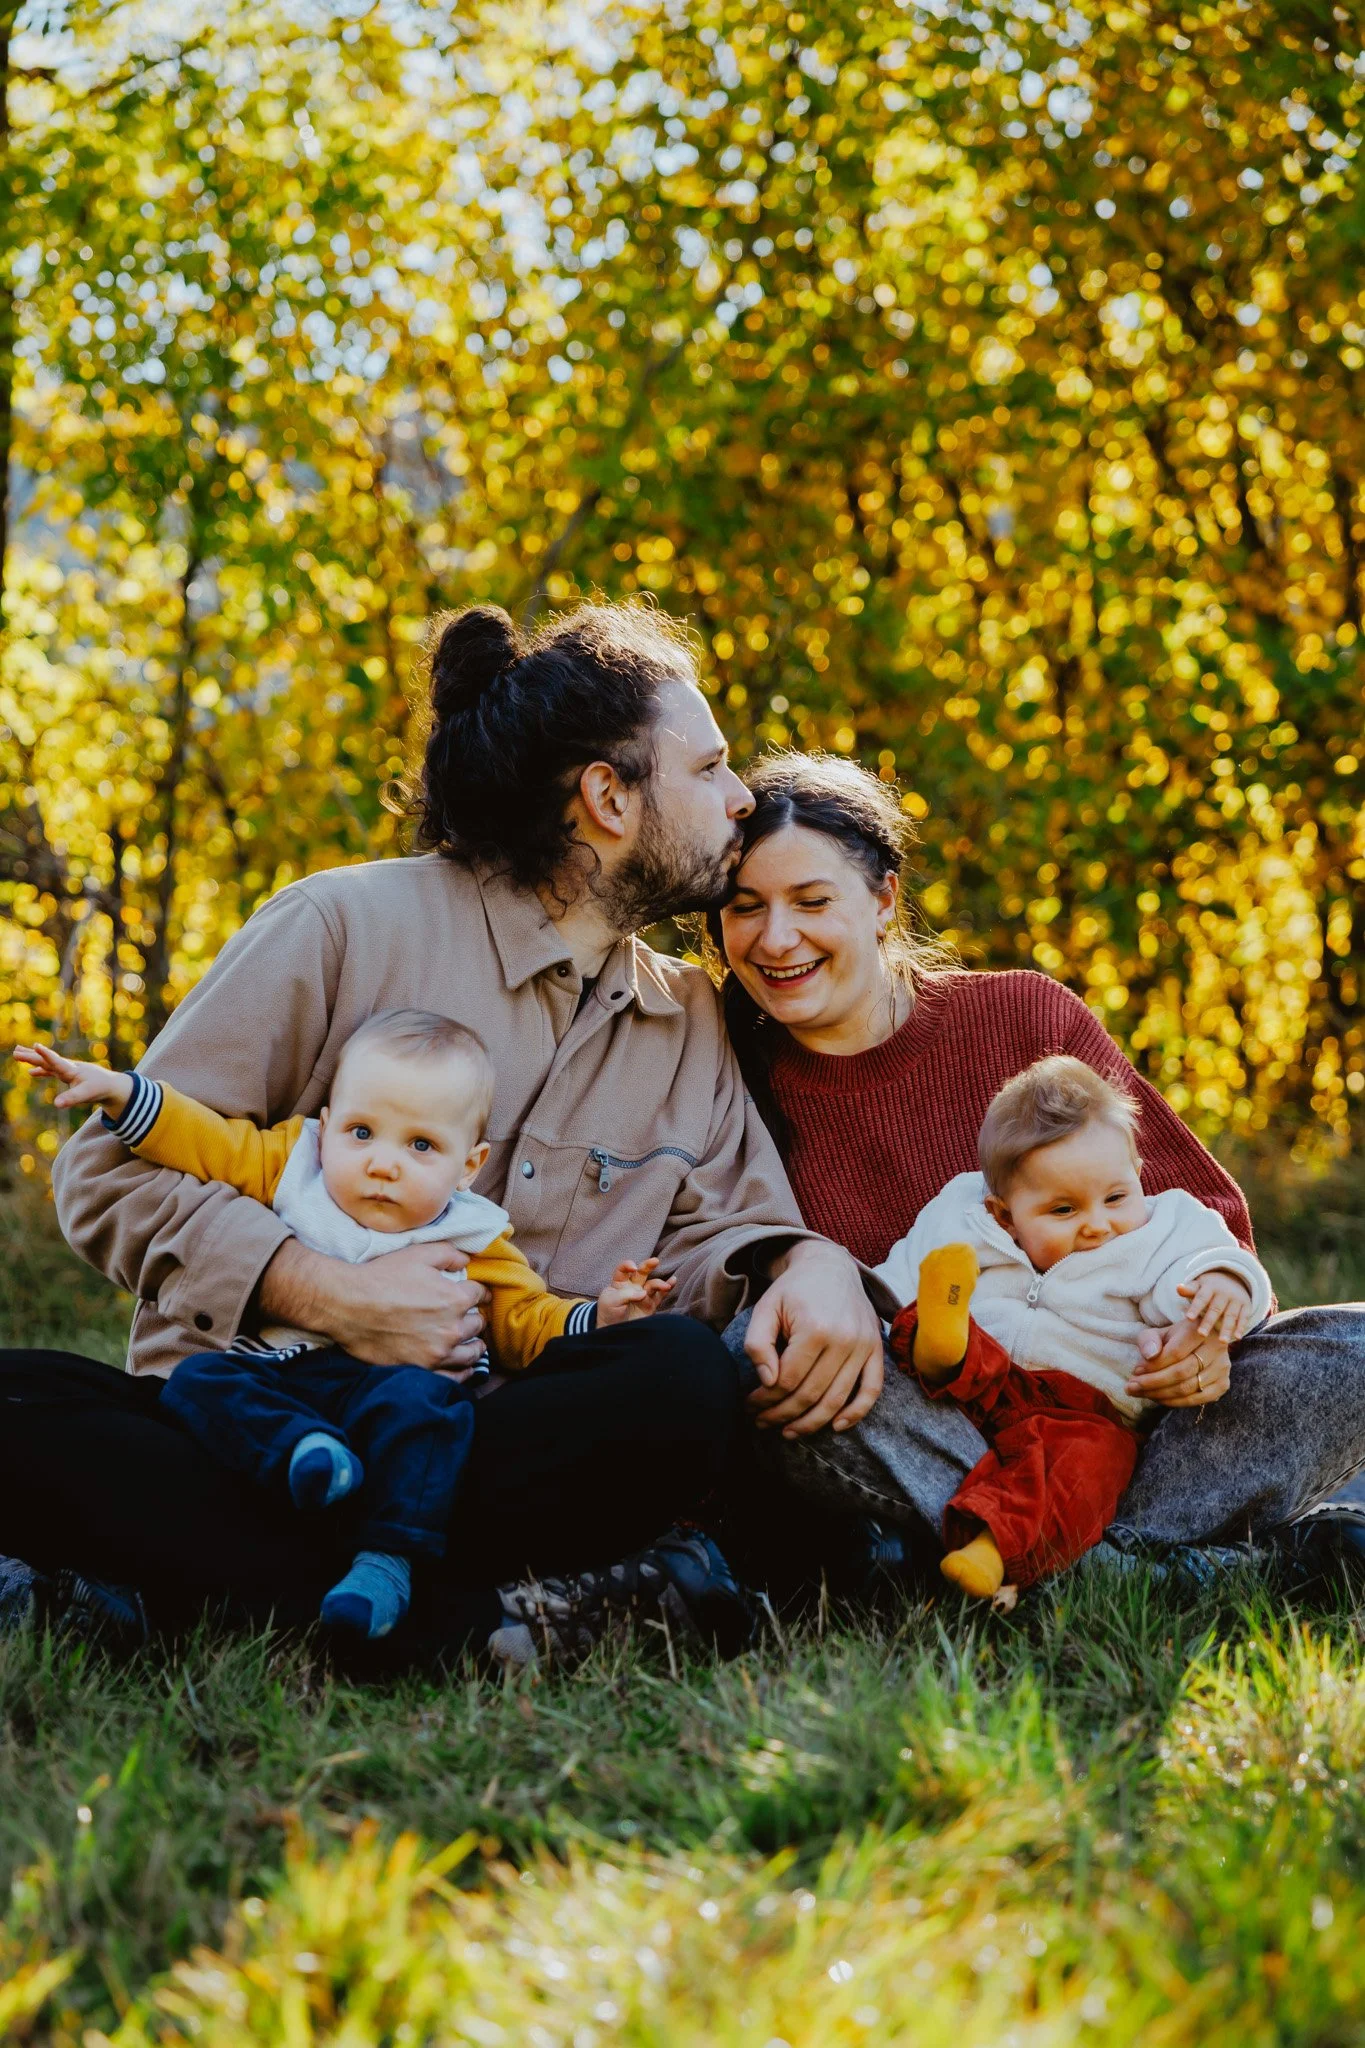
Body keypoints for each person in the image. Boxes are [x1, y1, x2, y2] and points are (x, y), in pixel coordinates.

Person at [0, 600, 882, 1667]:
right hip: (263, 1423)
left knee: (679, 1378)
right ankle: (475, 1622)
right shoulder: (341, 925)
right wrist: (322, 1291)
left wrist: (809, 1259)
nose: (743, 799)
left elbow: (727, 1235)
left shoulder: (689, 1015)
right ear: (608, 796)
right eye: (712, 768)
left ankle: (192, 1587)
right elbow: (104, 1167)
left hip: (483, 1447)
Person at [712, 750, 1365, 1558]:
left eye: (810, 900)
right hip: (943, 1429)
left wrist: (1203, 1337)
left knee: (1352, 1348)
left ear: (883, 898)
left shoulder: (1022, 1017)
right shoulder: (725, 1074)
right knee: (761, 1360)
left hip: (1139, 1417)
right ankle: (1160, 1562)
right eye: (744, 908)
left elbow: (1203, 1212)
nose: (776, 938)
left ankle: (1074, 1557)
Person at [16, 1009, 672, 1640]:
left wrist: (601, 1316)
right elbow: (206, 1143)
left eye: (420, 1145)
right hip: (281, 1378)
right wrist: (122, 1093)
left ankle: (386, 1561)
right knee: (201, 1379)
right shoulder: (291, 1166)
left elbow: (526, 1321)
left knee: (430, 1415)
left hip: (390, 1395)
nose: (382, 1163)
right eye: (361, 1133)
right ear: (325, 1127)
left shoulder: (473, 1234)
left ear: (468, 1165)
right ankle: (304, 1456)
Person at [878, 1057, 1272, 1601]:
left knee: (1081, 1472)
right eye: (1063, 1210)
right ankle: (938, 1345)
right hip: (978, 1389)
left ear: (1138, 1170)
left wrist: (1224, 1285)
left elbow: (1208, 1261)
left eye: (1115, 1197)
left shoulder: (1162, 1228)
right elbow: (884, 1286)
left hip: (1084, 1412)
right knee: (911, 1319)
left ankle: (991, 1552)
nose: (1097, 1223)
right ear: (1004, 1216)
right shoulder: (961, 1215)